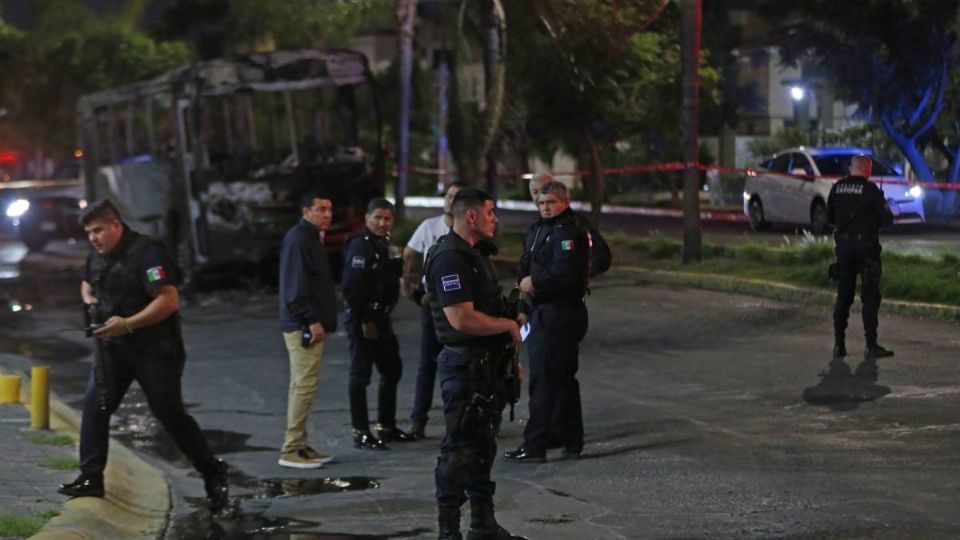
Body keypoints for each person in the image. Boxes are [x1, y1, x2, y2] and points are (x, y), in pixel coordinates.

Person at [59, 199, 228, 512]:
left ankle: (212, 471)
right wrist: (92, 302)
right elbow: (87, 281)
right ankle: (90, 477)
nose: (93, 238)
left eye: (98, 230)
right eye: (89, 233)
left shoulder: (148, 253)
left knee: (169, 413)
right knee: (96, 406)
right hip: (114, 349)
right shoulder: (98, 255)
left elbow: (168, 300)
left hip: (155, 349)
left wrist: (127, 324)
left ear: (116, 225)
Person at [424, 187, 522, 540]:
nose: (495, 219)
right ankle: (448, 532)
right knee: (460, 450)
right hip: (465, 368)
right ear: (471, 216)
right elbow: (462, 319)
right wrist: (509, 326)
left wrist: (508, 352)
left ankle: (483, 525)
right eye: (491, 212)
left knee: (484, 446)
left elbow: (489, 308)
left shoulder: (475, 254)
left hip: (488, 366)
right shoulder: (450, 257)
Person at [505, 181, 590, 464]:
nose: (545, 208)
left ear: (565, 202)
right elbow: (523, 267)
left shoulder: (570, 234)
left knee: (545, 381)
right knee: (560, 380)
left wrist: (536, 282)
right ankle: (570, 440)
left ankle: (536, 445)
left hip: (560, 313)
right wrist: (521, 304)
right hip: (540, 311)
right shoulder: (537, 230)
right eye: (541, 203)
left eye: (551, 203)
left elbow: (568, 276)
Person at [341, 198, 412, 450]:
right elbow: (351, 286)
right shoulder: (361, 246)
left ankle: (387, 426)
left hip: (381, 316)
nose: (382, 223)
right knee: (360, 375)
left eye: (387, 218)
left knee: (392, 370)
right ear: (367, 218)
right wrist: (365, 319)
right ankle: (360, 431)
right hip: (364, 317)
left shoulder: (386, 244)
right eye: (378, 218)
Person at [277, 191, 338, 469]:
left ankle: (299, 444)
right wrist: (311, 320)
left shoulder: (309, 237)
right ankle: (291, 449)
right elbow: (295, 289)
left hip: (307, 322)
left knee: (301, 386)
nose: (327, 214)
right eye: (321, 208)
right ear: (306, 211)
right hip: (303, 325)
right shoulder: (300, 239)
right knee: (304, 386)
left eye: (329, 209)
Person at [403, 181, 465, 440]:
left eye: (456, 197)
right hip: (435, 301)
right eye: (448, 196)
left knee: (460, 362)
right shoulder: (429, 227)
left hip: (461, 303)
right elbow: (409, 255)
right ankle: (418, 422)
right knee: (427, 363)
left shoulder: (466, 229)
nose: (450, 201)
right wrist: (411, 287)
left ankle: (459, 422)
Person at [827, 154, 895, 359]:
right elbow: (887, 220)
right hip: (866, 249)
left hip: (845, 249)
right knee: (870, 297)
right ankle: (871, 345)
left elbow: (830, 218)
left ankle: (839, 345)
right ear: (867, 169)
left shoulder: (837, 188)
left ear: (851, 168)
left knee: (843, 297)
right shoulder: (871, 190)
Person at [527, 172, 610, 277]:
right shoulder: (534, 229)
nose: (540, 196)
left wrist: (575, 276)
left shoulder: (577, 224)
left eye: (545, 189)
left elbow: (601, 257)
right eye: (535, 192)